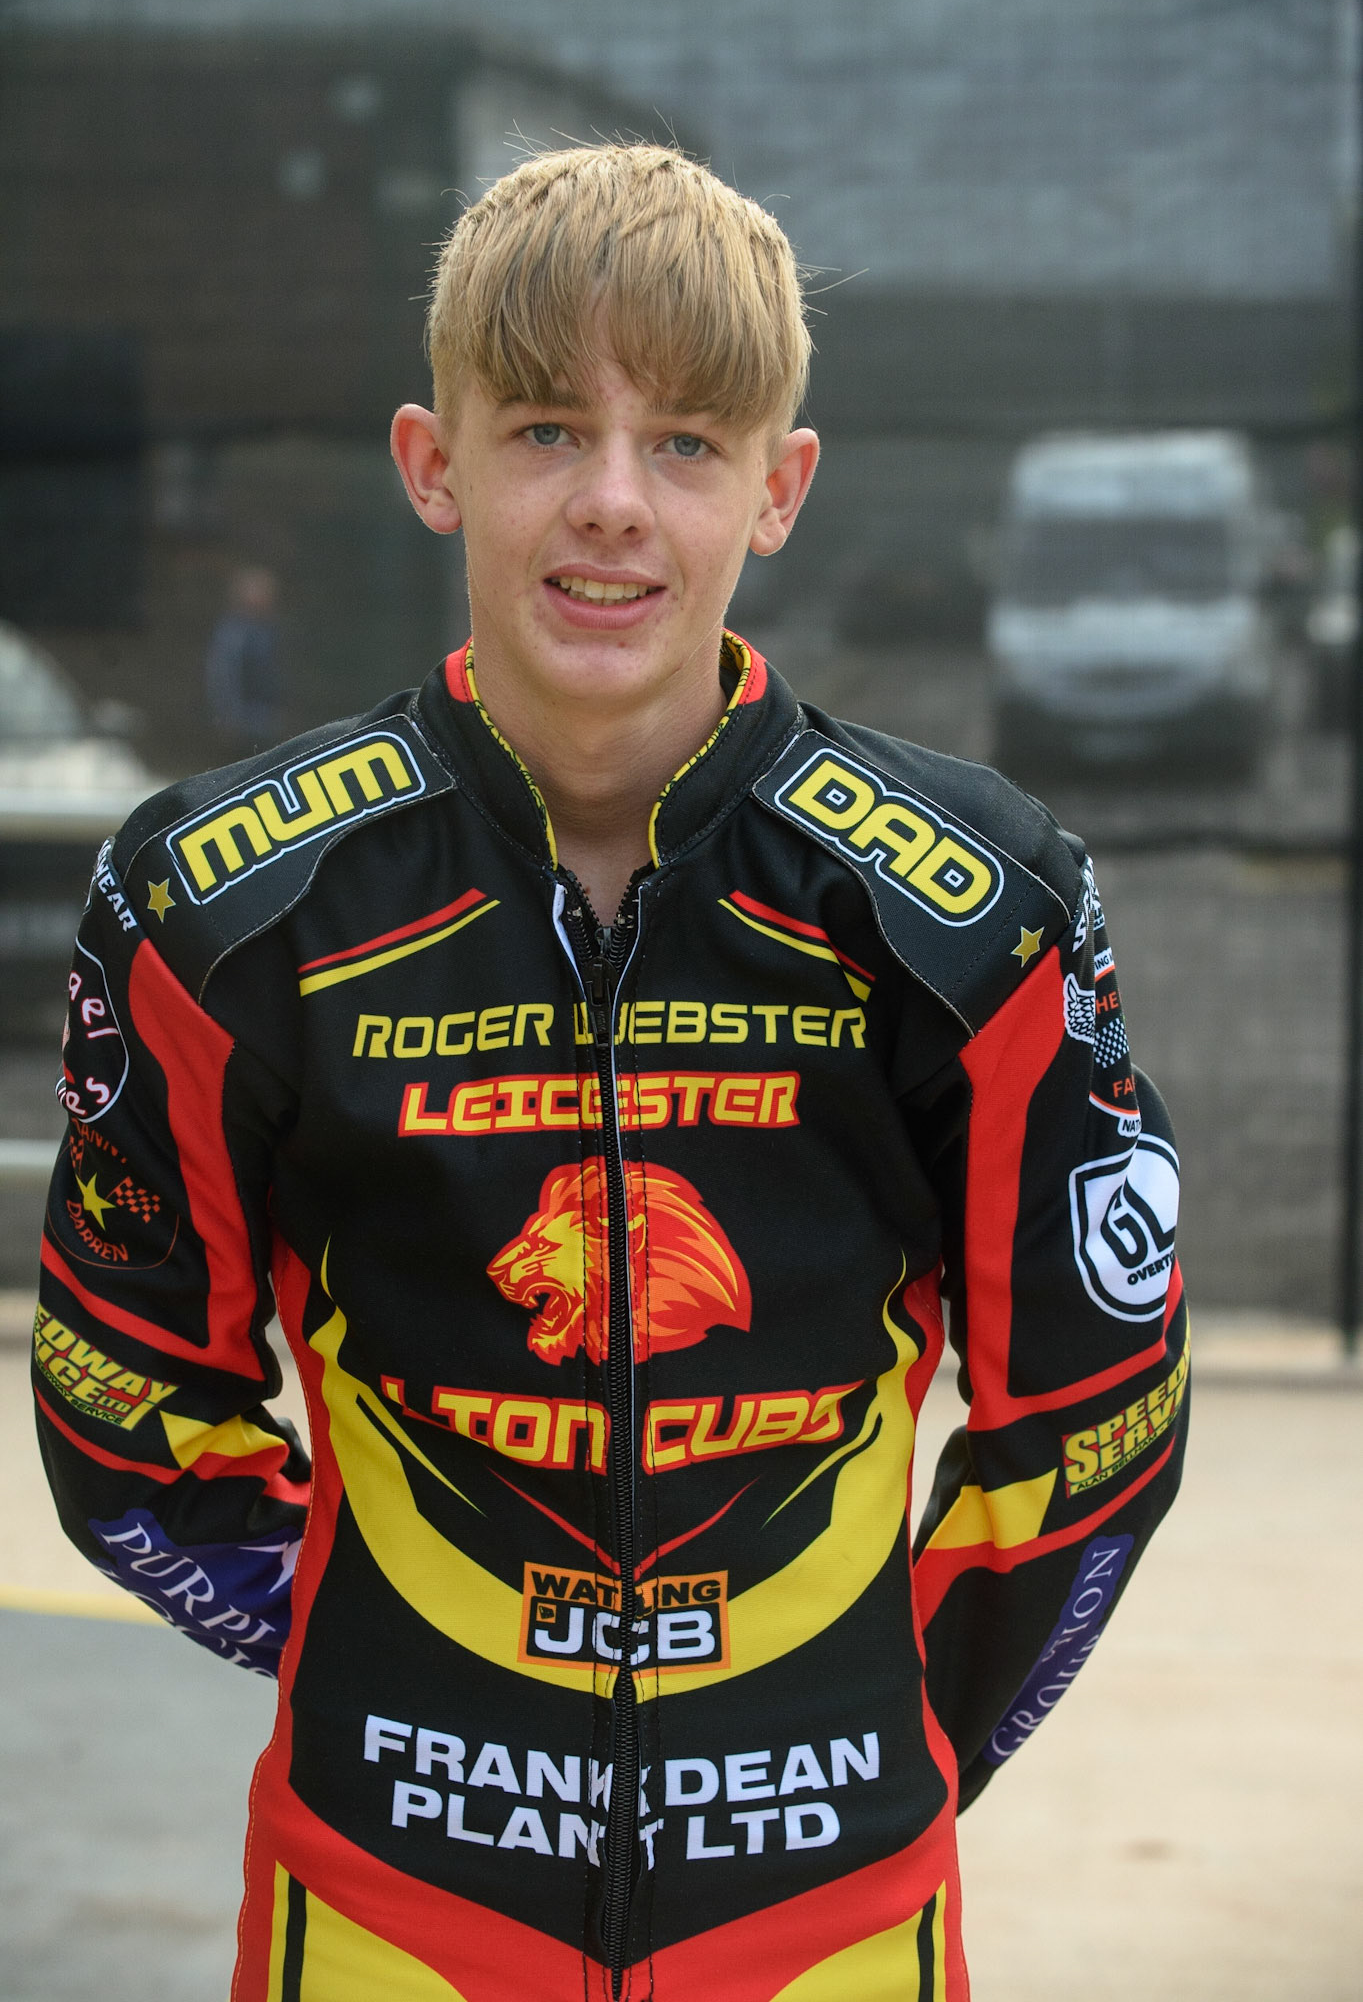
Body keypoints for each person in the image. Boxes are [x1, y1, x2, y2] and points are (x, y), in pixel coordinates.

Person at [33, 145, 1187, 2001]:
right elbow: (122, 1411)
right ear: (433, 461)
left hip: (827, 1917)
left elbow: (1100, 1419)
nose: (612, 508)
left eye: (688, 445)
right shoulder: (220, 903)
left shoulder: (973, 909)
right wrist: (389, 1676)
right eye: (548, 429)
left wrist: (875, 1744)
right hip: (383, 1902)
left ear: (779, 487)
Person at [204, 564, 285, 758]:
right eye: (257, 590)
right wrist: (228, 717)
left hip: (267, 720)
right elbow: (222, 678)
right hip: (242, 721)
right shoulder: (232, 633)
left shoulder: (270, 630)